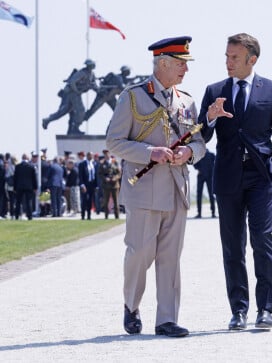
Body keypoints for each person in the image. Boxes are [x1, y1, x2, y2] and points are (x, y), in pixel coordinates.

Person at [106, 36, 206, 338]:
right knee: (139, 253)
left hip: (177, 188)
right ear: (162, 63)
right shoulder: (134, 97)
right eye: (180, 64)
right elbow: (114, 142)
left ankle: (167, 318)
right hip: (144, 189)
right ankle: (131, 306)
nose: (185, 70)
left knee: (170, 257)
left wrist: (189, 153)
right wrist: (151, 153)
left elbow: (199, 143)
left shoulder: (187, 101)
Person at [199, 33, 272, 330]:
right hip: (227, 179)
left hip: (260, 177)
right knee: (232, 247)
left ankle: (266, 309)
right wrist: (210, 118)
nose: (228, 62)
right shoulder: (214, 90)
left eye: (234, 57)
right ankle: (238, 310)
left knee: (262, 242)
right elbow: (200, 136)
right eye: (226, 56)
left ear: (252, 59)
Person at [43, 59, 98, 135]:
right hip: (72, 93)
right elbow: (72, 82)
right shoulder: (81, 73)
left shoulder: (91, 74)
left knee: (64, 111)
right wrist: (77, 91)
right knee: (80, 110)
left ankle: (47, 120)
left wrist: (98, 89)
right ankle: (75, 128)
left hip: (75, 94)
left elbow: (94, 85)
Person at [13, 153, 38, 220]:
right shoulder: (31, 166)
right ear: (27, 158)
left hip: (19, 186)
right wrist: (35, 187)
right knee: (28, 201)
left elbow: (15, 178)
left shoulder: (17, 166)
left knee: (18, 202)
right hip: (29, 186)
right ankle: (29, 216)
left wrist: (14, 187)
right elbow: (34, 178)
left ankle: (17, 216)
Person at [98, 149, 121, 219]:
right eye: (105, 154)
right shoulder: (102, 163)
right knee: (106, 201)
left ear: (109, 154)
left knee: (116, 201)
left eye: (107, 154)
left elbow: (119, 173)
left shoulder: (115, 162)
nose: (106, 155)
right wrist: (105, 178)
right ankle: (106, 216)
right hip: (106, 185)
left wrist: (115, 178)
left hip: (114, 185)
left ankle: (117, 216)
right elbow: (100, 174)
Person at [193, 149, 216, 218]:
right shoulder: (210, 155)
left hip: (206, 176)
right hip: (205, 176)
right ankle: (211, 213)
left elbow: (194, 164)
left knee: (207, 195)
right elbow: (194, 164)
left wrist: (199, 169)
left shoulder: (210, 155)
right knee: (206, 195)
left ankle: (201, 213)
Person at [78, 151, 98, 220]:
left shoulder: (94, 164)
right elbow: (80, 176)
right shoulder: (82, 164)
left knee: (90, 200)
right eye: (89, 155)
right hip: (85, 184)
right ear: (87, 156)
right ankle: (83, 215)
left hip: (91, 184)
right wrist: (82, 185)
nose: (91, 156)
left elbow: (96, 176)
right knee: (84, 200)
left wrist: (96, 186)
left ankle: (89, 215)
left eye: (91, 155)